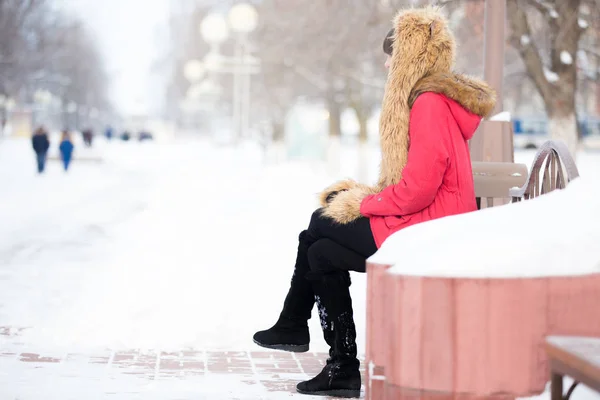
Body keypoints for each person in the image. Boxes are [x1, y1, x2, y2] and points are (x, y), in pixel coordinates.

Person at [252, 6, 497, 398]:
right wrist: (363, 196)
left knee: (319, 223)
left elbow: (419, 190)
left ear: (409, 58)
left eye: (391, 57)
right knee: (321, 252)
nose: (387, 68)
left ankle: (299, 326)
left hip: (433, 227)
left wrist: (361, 205)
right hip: (431, 220)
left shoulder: (429, 104)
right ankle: (338, 365)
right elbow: (417, 182)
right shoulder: (433, 101)